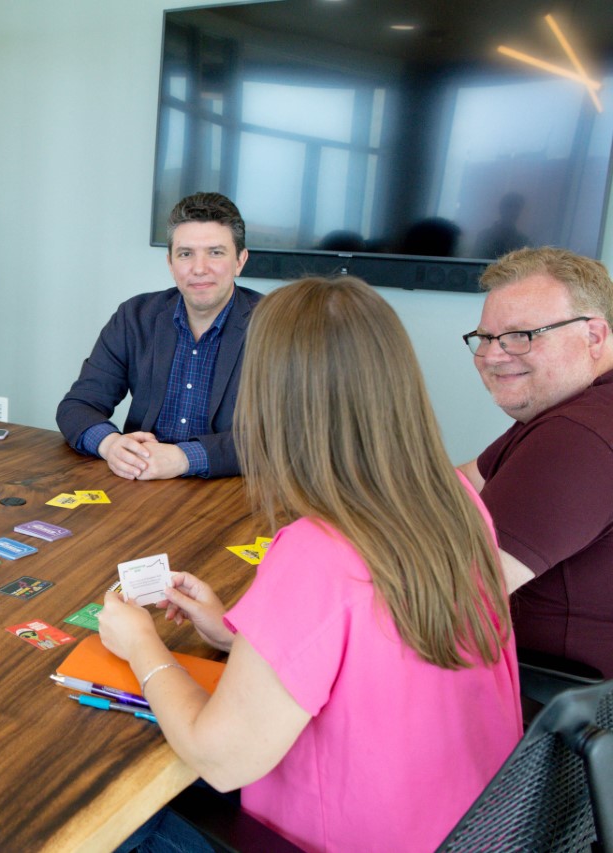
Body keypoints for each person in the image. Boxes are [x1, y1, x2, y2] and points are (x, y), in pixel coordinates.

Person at [100, 277, 521, 852]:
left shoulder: (318, 552)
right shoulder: (456, 501)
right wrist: (233, 637)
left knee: (124, 822)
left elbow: (219, 759)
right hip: (475, 828)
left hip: (338, 840)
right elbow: (372, 654)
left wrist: (140, 643)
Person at [457, 246, 613, 676]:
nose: (491, 356)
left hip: (548, 708)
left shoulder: (577, 438)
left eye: (521, 335)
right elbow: (461, 483)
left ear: (594, 336)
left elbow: (454, 597)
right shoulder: (577, 409)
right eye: (485, 337)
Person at [55, 192, 261, 480]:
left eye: (215, 252)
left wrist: (184, 458)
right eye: (186, 254)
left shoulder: (275, 326)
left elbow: (287, 437)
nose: (199, 268)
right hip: (140, 482)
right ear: (170, 263)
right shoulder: (135, 316)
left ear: (240, 260)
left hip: (231, 492)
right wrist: (110, 444)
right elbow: (77, 406)